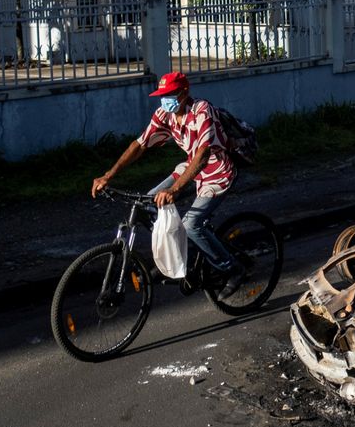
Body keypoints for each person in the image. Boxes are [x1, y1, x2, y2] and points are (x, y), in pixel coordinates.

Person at [92, 71, 244, 294]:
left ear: (184, 93)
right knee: (147, 203)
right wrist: (109, 174)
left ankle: (231, 268)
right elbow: (140, 145)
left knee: (192, 225)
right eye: (163, 95)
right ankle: (178, 255)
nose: (166, 100)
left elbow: (203, 155)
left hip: (217, 172)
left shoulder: (202, 111)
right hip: (190, 168)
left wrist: (174, 189)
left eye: (171, 94)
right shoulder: (165, 114)